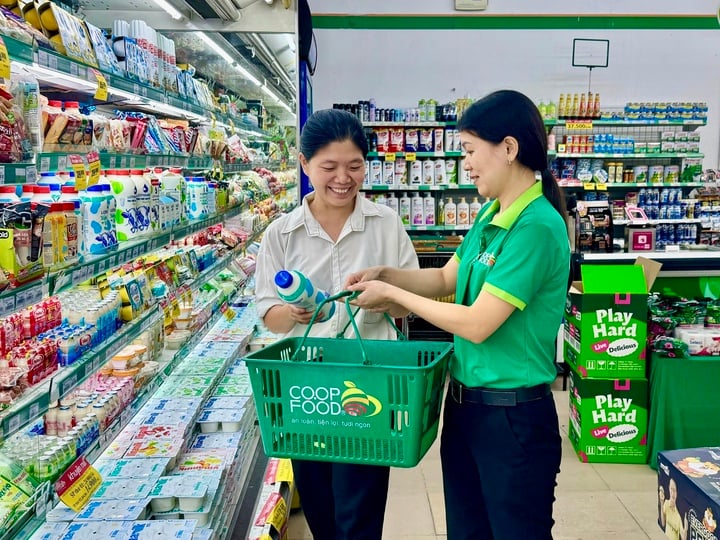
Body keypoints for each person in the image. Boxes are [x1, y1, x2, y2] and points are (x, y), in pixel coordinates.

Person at [345, 90, 570, 539]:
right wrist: (390, 274)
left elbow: (478, 322)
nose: (465, 163)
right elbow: (448, 278)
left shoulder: (537, 228)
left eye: (469, 151)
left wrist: (395, 295)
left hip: (513, 419)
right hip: (466, 408)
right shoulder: (492, 214)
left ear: (508, 148)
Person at [254, 108, 418, 540]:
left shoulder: (386, 224)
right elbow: (270, 317)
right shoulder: (281, 234)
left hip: (370, 386)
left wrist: (388, 297)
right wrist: (294, 313)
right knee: (321, 506)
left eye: (354, 166)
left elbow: (409, 307)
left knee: (360, 510)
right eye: (329, 167)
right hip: (307, 389)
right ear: (305, 163)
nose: (343, 178)